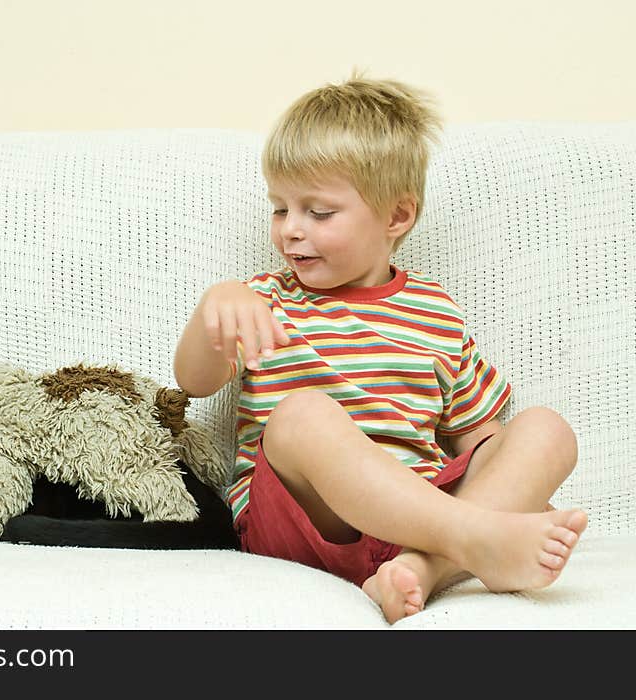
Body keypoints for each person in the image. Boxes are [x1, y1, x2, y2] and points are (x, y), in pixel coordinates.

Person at [173, 70, 588, 624]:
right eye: (280, 208)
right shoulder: (258, 300)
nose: (291, 229)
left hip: (415, 519)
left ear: (397, 216)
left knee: (546, 430)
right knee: (300, 415)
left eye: (318, 212)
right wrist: (214, 308)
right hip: (303, 518)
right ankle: (476, 537)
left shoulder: (435, 311)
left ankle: (421, 571)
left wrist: (511, 484)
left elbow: (478, 438)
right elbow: (193, 381)